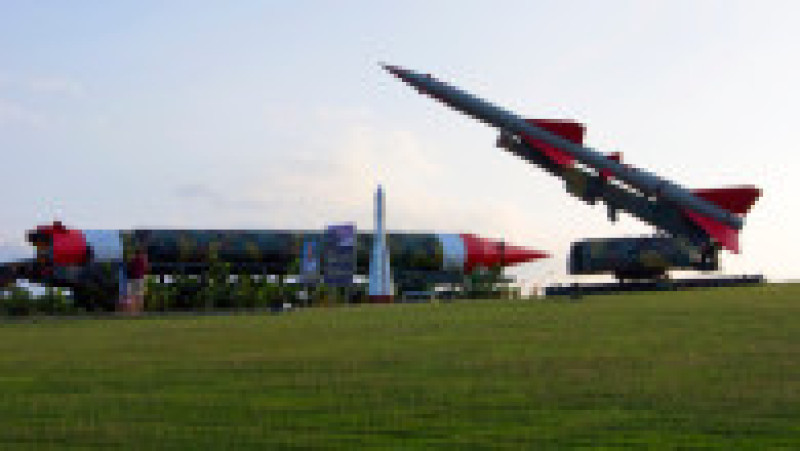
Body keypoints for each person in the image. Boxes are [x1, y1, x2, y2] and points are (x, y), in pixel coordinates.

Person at [126, 247, 149, 313]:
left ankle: (133, 311)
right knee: (139, 297)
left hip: (133, 279)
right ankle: (139, 311)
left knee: (133, 296)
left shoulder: (133, 261)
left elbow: (129, 269)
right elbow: (146, 269)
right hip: (139, 279)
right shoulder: (142, 261)